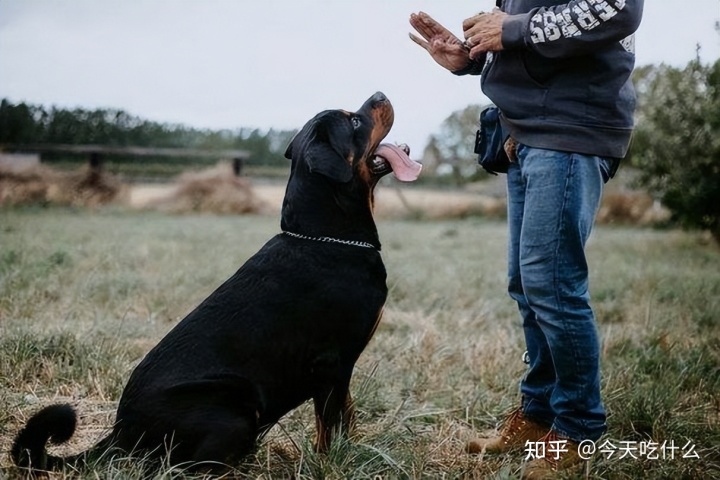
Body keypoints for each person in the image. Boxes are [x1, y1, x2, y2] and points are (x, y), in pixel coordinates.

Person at [409, 2, 644, 478]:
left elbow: (616, 10)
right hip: (526, 130)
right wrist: (472, 55)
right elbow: (519, 37)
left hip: (571, 128)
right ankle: (538, 417)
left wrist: (512, 27)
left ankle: (578, 429)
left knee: (553, 286)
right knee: (528, 284)